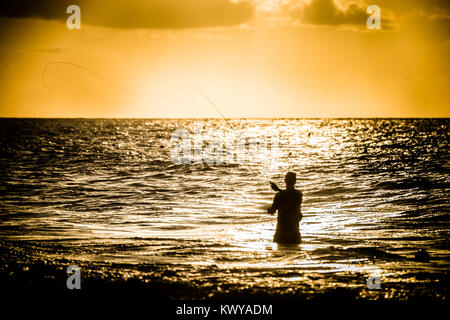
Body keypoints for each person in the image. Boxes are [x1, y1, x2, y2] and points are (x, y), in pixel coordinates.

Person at [267, 172, 302, 244]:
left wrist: (268, 209)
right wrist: (279, 190)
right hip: (294, 231)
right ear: (295, 181)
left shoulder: (279, 196)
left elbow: (272, 211)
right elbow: (291, 197)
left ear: (285, 181)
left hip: (281, 231)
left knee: (281, 253)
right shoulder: (298, 194)